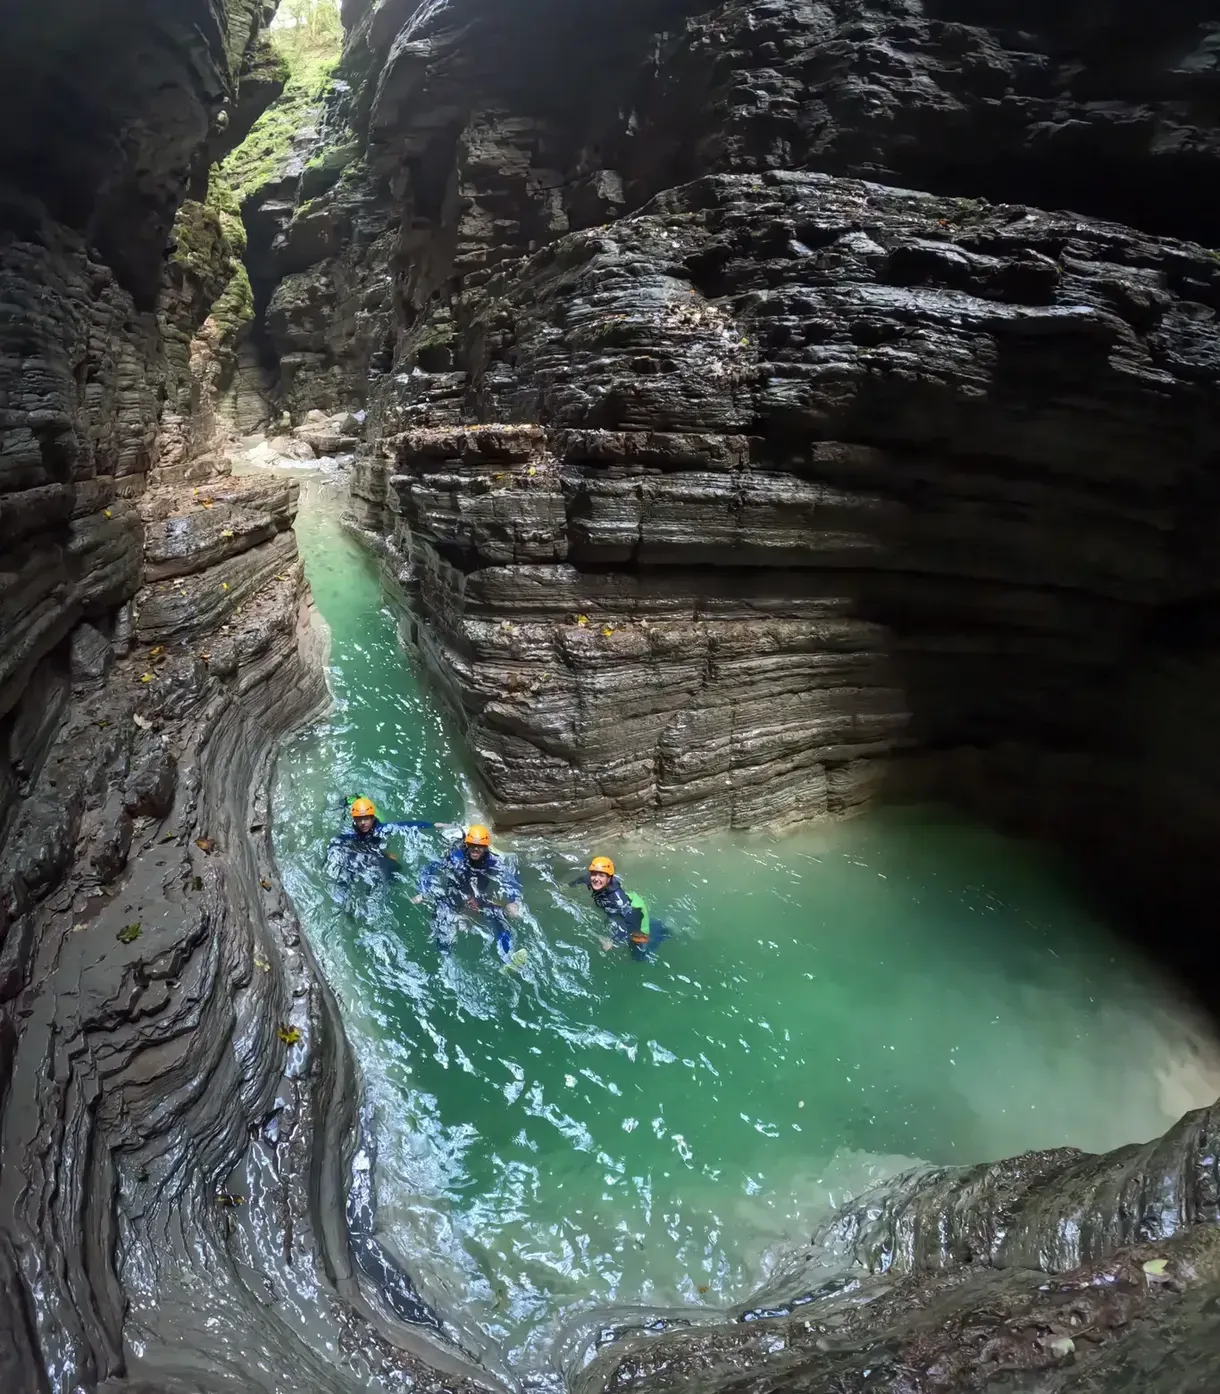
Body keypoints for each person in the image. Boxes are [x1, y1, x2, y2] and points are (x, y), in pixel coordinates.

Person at [412, 825, 523, 961]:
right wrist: (422, 891)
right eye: (472, 845)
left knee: (502, 917)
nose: (475, 849)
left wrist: (514, 900)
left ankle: (508, 955)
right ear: (467, 845)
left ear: (486, 847)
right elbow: (431, 868)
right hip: (454, 897)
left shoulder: (493, 861)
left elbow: (511, 878)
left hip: (478, 900)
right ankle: (445, 955)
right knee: (442, 917)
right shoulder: (457, 857)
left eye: (480, 846)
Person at [571, 855, 667, 961]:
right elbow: (582, 879)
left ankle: (661, 932)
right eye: (594, 874)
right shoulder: (593, 879)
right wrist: (570, 885)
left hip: (635, 912)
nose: (596, 879)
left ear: (609, 878)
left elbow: (632, 924)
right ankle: (657, 925)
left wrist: (612, 940)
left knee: (638, 954)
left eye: (601, 876)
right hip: (623, 906)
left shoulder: (617, 900)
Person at [328, 797, 434, 885]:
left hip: (375, 850)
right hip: (362, 851)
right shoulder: (351, 832)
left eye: (366, 818)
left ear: (373, 818)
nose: (363, 823)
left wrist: (432, 825)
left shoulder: (381, 829)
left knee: (393, 866)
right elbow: (337, 841)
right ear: (355, 820)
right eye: (359, 819)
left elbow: (406, 825)